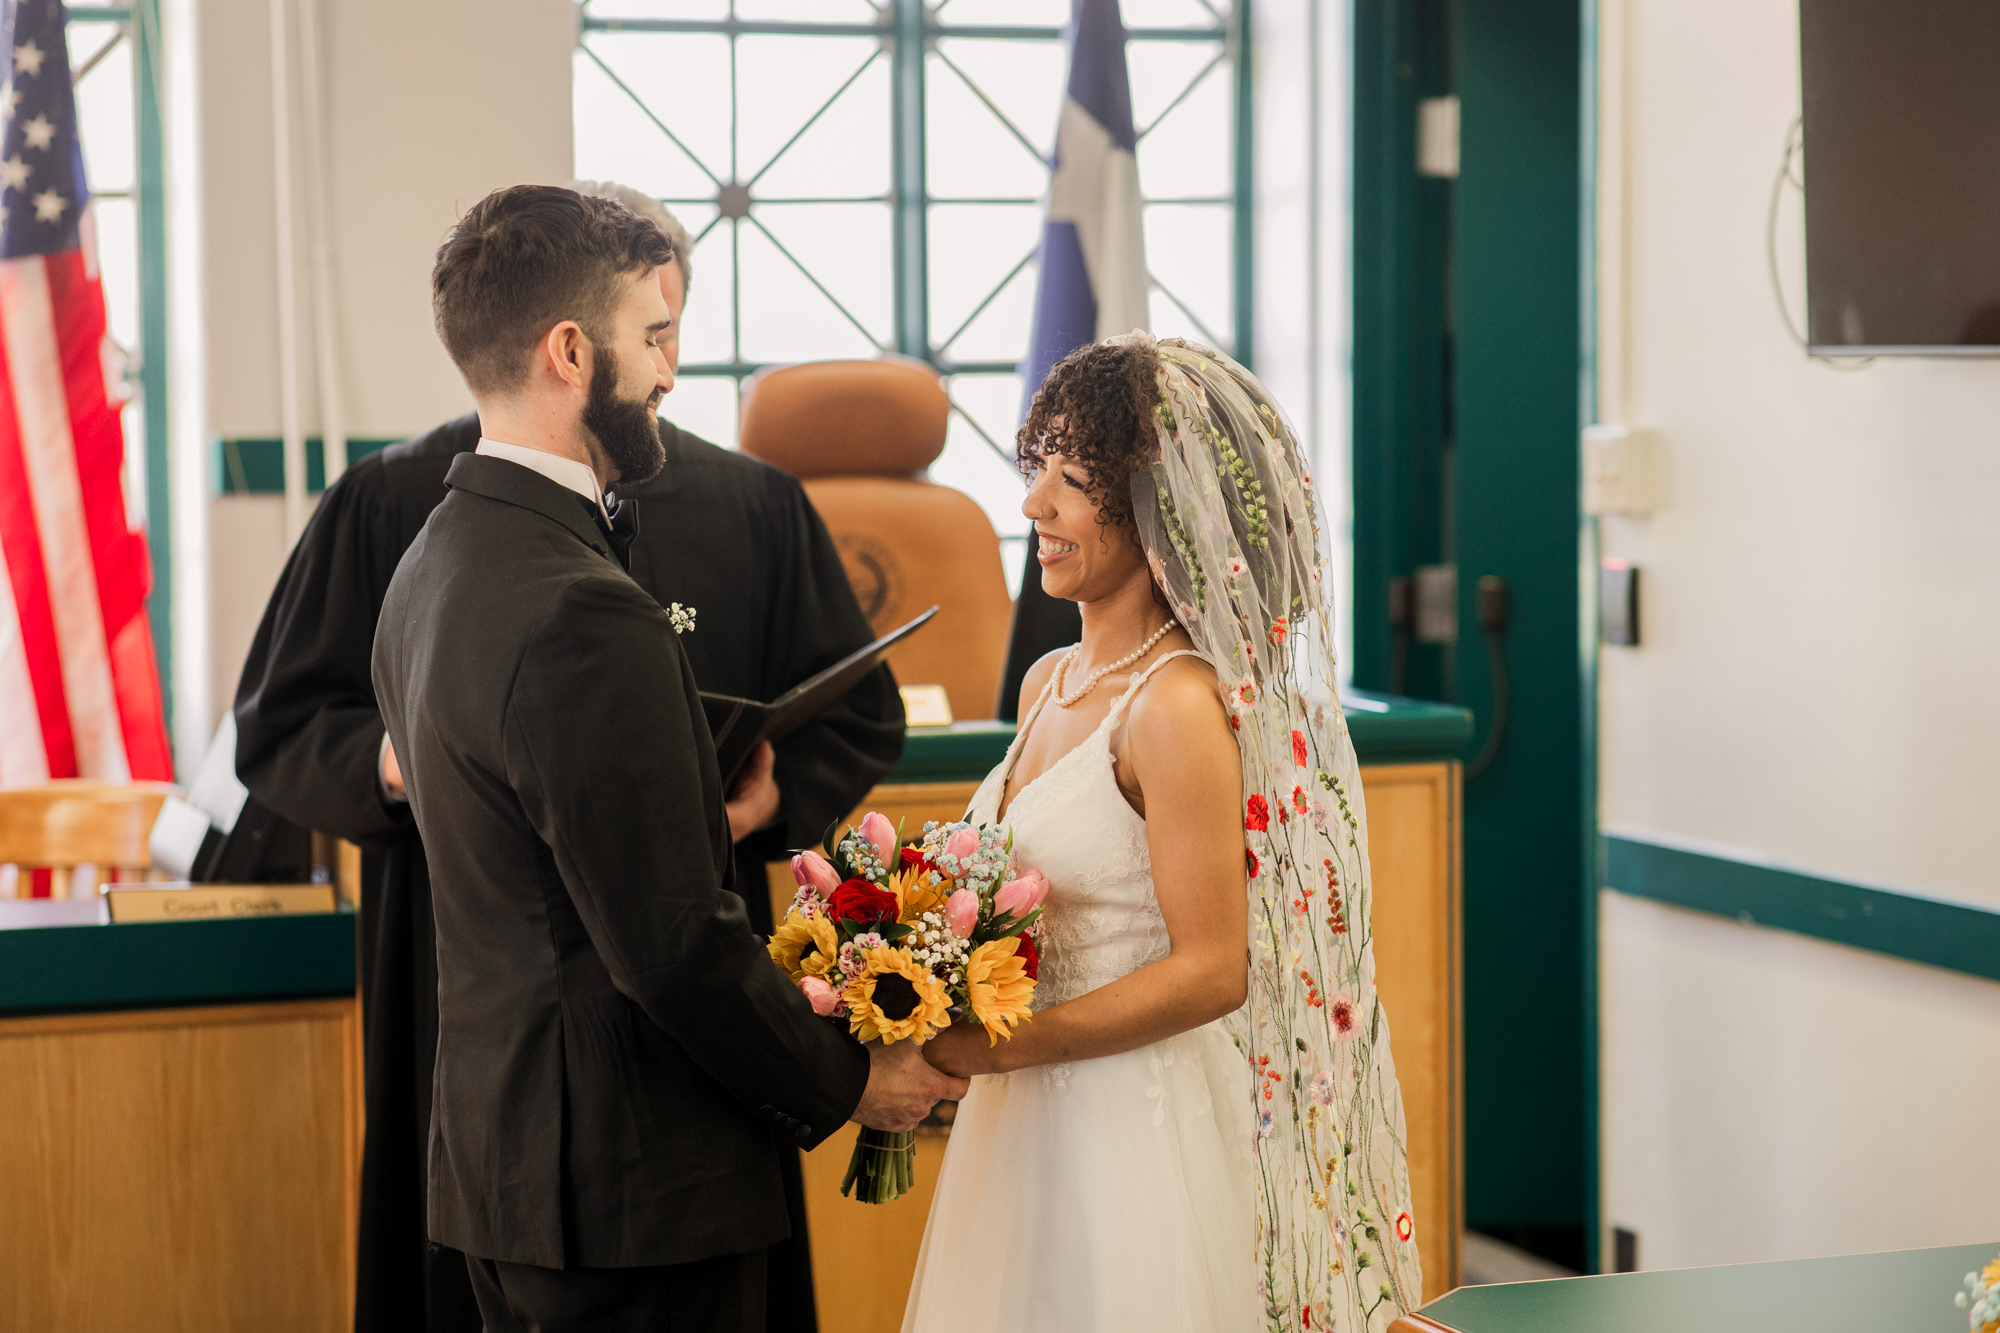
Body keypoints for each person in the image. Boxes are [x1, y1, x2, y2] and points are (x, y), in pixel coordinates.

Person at [232, 183, 905, 1333]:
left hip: (513, 1160)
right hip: (630, 1166)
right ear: (568, 348)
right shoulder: (569, 599)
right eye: (650, 337)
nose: (668, 371)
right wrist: (854, 1079)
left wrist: (750, 803)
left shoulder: (440, 552)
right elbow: (668, 949)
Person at [902, 335, 1422, 1332]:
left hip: (1133, 1130)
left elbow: (1211, 969)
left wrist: (1005, 1049)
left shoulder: (1173, 704)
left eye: (1072, 479)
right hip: (1024, 1132)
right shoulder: (1047, 680)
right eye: (1033, 469)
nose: (1033, 508)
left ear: (1160, 508)